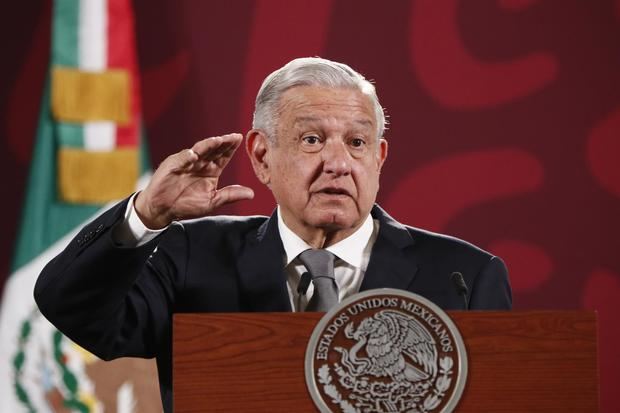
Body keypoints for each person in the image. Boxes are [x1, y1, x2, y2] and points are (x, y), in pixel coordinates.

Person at [34, 57, 511, 412]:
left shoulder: (463, 276)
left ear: (379, 158)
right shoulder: (193, 254)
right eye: (311, 139)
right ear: (262, 157)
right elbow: (73, 308)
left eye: (358, 142)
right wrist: (145, 214)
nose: (339, 163)